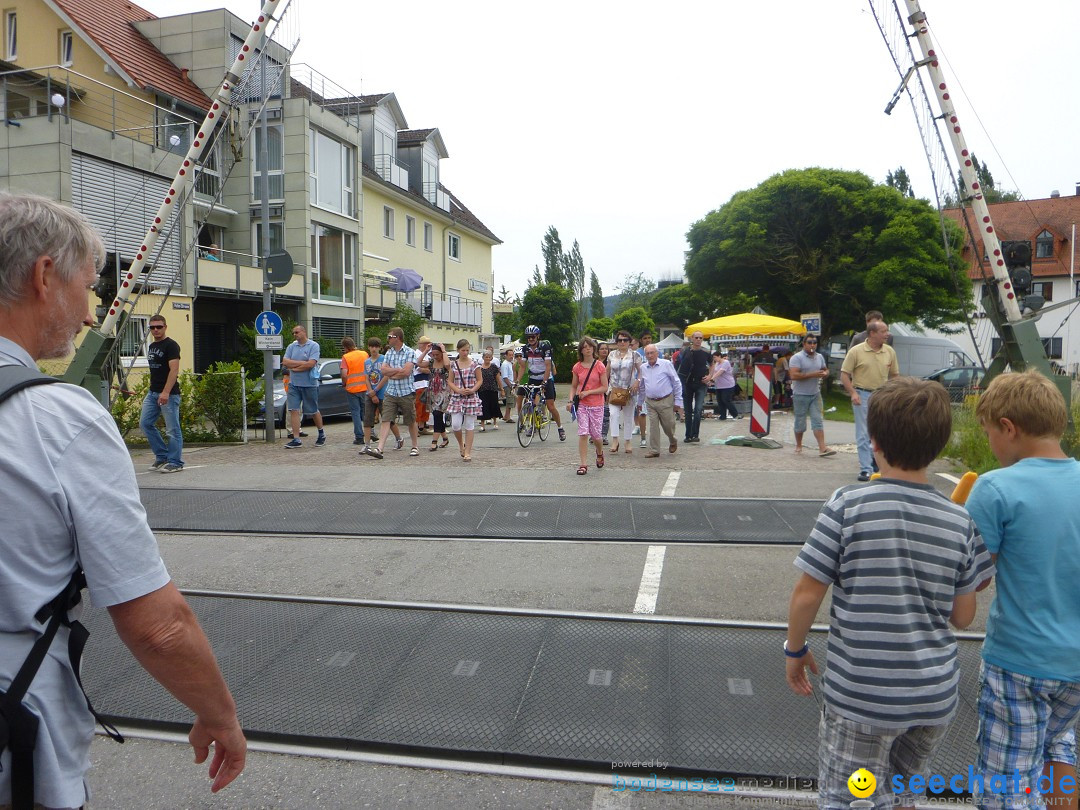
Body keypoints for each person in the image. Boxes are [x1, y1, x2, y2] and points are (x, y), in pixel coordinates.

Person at [0, 192, 245, 807]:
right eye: (88, 285)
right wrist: (218, 713)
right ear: (44, 275)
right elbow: (157, 626)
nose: (88, 313)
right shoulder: (56, 418)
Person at [785, 376, 994, 810]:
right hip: (932, 698)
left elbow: (808, 591)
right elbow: (963, 618)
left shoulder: (848, 504)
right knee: (902, 794)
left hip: (863, 697)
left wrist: (795, 648)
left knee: (854, 797)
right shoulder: (959, 521)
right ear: (938, 446)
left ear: (874, 440)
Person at [965, 370, 1080, 810]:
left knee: (1008, 782)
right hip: (1074, 665)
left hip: (1020, 662)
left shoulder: (996, 487)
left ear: (1008, 427)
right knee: (1057, 745)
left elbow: (974, 578)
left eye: (990, 431)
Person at [841, 320, 899, 481]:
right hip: (862, 393)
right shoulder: (856, 351)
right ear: (872, 333)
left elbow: (894, 375)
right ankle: (865, 469)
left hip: (882, 395)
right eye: (883, 331)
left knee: (881, 432)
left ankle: (878, 466)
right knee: (863, 433)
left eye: (887, 331)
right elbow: (844, 375)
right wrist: (853, 393)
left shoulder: (889, 352)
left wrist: (894, 393)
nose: (887, 334)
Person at [140, 314, 184, 472]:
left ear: (165, 327)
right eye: (152, 327)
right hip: (153, 393)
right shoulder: (152, 346)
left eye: (159, 327)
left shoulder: (171, 345)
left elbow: (174, 370)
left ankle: (176, 462)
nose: (156, 330)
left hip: (169, 394)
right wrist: (155, 391)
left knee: (172, 429)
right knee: (145, 423)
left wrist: (165, 392)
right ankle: (162, 456)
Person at [366, 326, 419, 459]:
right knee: (386, 419)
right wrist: (397, 371)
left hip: (406, 392)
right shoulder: (389, 353)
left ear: (398, 338)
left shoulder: (409, 352)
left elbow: (407, 372)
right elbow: (383, 371)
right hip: (391, 392)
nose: (388, 339)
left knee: (410, 420)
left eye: (390, 337)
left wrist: (393, 372)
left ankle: (414, 446)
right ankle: (380, 448)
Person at [515, 324, 565, 440]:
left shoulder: (544, 347)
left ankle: (560, 428)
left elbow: (548, 367)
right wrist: (517, 381)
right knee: (531, 403)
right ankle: (532, 425)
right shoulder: (525, 349)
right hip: (533, 377)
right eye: (528, 337)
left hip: (546, 377)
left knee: (551, 406)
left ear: (538, 336)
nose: (531, 339)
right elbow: (522, 367)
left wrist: (544, 382)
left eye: (533, 336)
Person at [568, 336, 609, 475]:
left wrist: (589, 392)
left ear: (593, 348)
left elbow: (605, 387)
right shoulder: (577, 367)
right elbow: (573, 386)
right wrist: (570, 400)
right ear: (581, 350)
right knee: (583, 433)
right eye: (584, 347)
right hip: (582, 405)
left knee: (596, 435)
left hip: (597, 404)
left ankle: (599, 452)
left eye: (590, 346)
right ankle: (583, 464)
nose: (587, 349)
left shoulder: (599, 366)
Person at [788, 335, 834, 457]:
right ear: (804, 344)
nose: (812, 345)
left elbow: (825, 369)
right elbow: (793, 375)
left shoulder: (819, 357)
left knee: (817, 420)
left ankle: (822, 448)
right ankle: (799, 445)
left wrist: (825, 373)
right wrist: (812, 374)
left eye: (814, 342)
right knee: (800, 422)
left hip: (815, 394)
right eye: (809, 342)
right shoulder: (797, 358)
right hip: (800, 395)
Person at [281, 324, 326, 449]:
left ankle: (321, 433)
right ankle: (296, 438)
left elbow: (311, 364)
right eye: (293, 333)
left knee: (313, 410)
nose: (295, 335)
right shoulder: (291, 346)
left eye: (297, 332)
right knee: (293, 410)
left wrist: (294, 368)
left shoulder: (313, 345)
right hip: (294, 384)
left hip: (309, 384)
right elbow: (285, 362)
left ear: (304, 332)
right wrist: (301, 363)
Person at [638, 343, 683, 458]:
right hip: (650, 401)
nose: (650, 355)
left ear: (657, 353)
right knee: (653, 425)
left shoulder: (666, 364)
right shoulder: (643, 367)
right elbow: (642, 386)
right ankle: (654, 450)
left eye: (652, 352)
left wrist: (678, 401)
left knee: (668, 425)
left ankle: (673, 440)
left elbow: (676, 382)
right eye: (647, 353)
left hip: (666, 400)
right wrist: (640, 402)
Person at [360, 337, 400, 454]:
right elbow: (366, 378)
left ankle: (398, 438)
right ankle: (367, 444)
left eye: (376, 346)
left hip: (383, 393)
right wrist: (371, 392)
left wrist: (376, 390)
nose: (374, 349)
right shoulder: (366, 362)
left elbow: (386, 376)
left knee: (388, 419)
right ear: (368, 347)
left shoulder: (384, 359)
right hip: (370, 394)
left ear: (380, 348)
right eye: (371, 346)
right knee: (367, 419)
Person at [447, 338, 483, 461]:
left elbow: (479, 380)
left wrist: (473, 389)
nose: (465, 352)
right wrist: (457, 390)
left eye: (467, 350)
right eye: (463, 350)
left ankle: (467, 451)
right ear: (458, 350)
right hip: (457, 397)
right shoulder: (454, 364)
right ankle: (461, 444)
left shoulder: (474, 364)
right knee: (456, 425)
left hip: (471, 397)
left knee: (469, 424)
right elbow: (450, 381)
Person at [606, 330, 642, 454]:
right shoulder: (611, 355)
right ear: (616, 342)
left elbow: (641, 371)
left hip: (629, 390)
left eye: (625, 340)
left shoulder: (635, 355)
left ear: (629, 342)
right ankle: (615, 439)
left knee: (628, 416)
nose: (622, 342)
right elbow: (607, 371)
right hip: (614, 389)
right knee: (613, 414)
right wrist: (604, 385)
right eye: (620, 340)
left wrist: (637, 381)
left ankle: (628, 441)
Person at [677, 330, 711, 443]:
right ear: (692, 338)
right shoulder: (685, 351)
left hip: (701, 383)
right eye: (696, 337)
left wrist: (710, 376)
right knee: (688, 410)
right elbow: (679, 367)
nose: (698, 340)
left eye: (700, 338)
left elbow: (713, 363)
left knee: (698, 409)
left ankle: (695, 434)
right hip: (687, 383)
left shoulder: (706, 352)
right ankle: (688, 435)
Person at [339, 336, 369, 446]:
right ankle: (371, 433)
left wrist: (344, 383)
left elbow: (344, 374)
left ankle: (359, 437)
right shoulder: (364, 354)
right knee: (366, 412)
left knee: (355, 413)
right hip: (365, 387)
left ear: (345, 347)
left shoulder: (346, 357)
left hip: (352, 389)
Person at [426, 343, 451, 451]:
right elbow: (418, 363)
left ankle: (434, 441)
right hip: (433, 391)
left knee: (437, 414)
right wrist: (425, 351)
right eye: (433, 354)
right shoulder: (431, 362)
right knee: (437, 415)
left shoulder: (445, 361)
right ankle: (445, 438)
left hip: (444, 391)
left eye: (437, 354)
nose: (435, 356)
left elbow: (448, 366)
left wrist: (444, 351)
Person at [707, 349, 741, 421]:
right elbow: (713, 372)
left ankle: (735, 414)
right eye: (713, 358)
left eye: (715, 357)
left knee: (726, 400)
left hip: (728, 385)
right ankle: (723, 416)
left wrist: (712, 379)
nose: (714, 359)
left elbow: (720, 372)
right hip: (719, 386)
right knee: (720, 401)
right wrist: (710, 380)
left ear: (719, 356)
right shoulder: (716, 364)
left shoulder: (725, 362)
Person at [635, 331, 653, 447]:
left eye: (649, 338)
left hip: (654, 386)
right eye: (645, 338)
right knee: (642, 412)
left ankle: (655, 437)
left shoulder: (656, 352)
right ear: (641, 340)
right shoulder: (637, 354)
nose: (647, 340)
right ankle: (643, 437)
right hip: (641, 387)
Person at [477, 349, 503, 431]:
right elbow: (477, 379)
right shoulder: (479, 368)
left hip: (493, 389)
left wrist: (501, 389)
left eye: (489, 357)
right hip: (482, 390)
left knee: (494, 405)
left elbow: (498, 378)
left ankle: (495, 422)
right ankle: (482, 424)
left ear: (491, 358)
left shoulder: (494, 367)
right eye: (486, 357)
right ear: (483, 358)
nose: (487, 358)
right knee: (483, 407)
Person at [413, 336, 432, 435]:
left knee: (426, 406)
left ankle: (422, 426)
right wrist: (426, 368)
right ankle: (417, 427)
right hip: (418, 384)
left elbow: (430, 369)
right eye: (426, 344)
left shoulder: (428, 356)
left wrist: (426, 368)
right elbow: (418, 368)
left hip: (427, 383)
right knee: (419, 405)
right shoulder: (416, 354)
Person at [595, 341, 611, 445]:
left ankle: (603, 435)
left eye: (606, 348)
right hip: (595, 389)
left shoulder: (610, 362)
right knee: (595, 413)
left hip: (608, 389)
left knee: (605, 413)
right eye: (602, 349)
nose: (604, 350)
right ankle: (595, 434)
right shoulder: (594, 362)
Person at [500, 348, 515, 423]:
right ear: (506, 355)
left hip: (510, 384)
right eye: (510, 355)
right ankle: (508, 417)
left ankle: (506, 416)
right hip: (507, 385)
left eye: (512, 355)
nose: (511, 356)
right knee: (510, 401)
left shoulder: (510, 363)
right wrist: (510, 386)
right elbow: (505, 377)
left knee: (511, 400)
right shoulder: (505, 364)